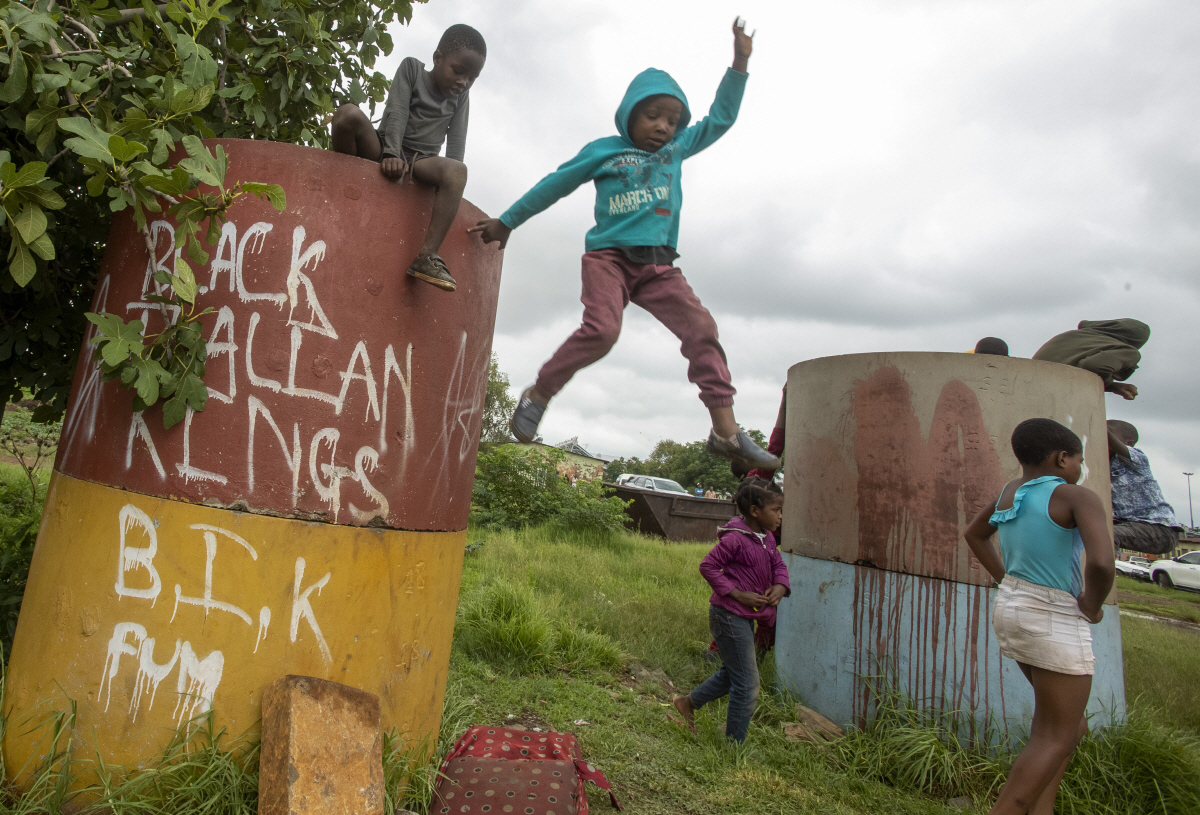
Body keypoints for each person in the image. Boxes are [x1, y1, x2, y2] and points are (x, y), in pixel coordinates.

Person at [469, 19, 779, 471]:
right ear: (630, 114)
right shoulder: (604, 151)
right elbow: (555, 184)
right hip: (608, 259)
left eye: (671, 121)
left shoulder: (676, 150)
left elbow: (722, 118)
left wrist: (740, 62)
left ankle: (726, 431)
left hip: (658, 268)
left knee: (701, 328)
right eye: (652, 116)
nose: (662, 128)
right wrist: (509, 221)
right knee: (603, 330)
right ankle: (540, 392)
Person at [964, 418, 1115, 815]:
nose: (1081, 469)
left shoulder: (1010, 493)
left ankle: (1040, 810)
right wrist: (1092, 606)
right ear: (1062, 458)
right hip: (1053, 615)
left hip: (1013, 610)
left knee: (1065, 726)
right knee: (1055, 736)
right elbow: (1101, 563)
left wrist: (1005, 579)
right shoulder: (1076, 496)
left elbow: (974, 534)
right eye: (1079, 460)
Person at [330, 24, 486, 293]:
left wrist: (446, 183)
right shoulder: (412, 69)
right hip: (381, 148)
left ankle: (427, 257)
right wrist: (391, 152)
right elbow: (398, 110)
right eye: (458, 71)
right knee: (347, 114)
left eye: (472, 78)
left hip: (420, 163)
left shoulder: (461, 97)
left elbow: (456, 147)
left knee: (458, 171)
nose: (463, 82)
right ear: (438, 59)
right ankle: (344, 188)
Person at [671, 477, 789, 743]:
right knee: (747, 685)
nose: (781, 516)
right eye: (776, 510)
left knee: (734, 673)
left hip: (746, 617)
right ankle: (733, 747)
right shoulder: (736, 539)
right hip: (727, 615)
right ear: (755, 511)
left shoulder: (768, 539)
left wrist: (781, 586)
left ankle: (688, 703)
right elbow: (708, 566)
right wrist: (737, 593)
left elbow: (779, 566)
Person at [1106, 420, 1183, 555]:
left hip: (1159, 529)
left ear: (1129, 444)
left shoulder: (1137, 459)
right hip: (1131, 525)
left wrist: (1097, 423)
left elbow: (1108, 438)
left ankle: (1105, 574)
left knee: (1106, 534)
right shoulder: (1101, 463)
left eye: (1109, 432)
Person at [1032, 319, 1148, 400]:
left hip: (1027, 387)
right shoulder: (1130, 351)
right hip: (1054, 396)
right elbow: (1092, 366)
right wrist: (1109, 385)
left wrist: (1112, 387)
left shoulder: (1073, 335)